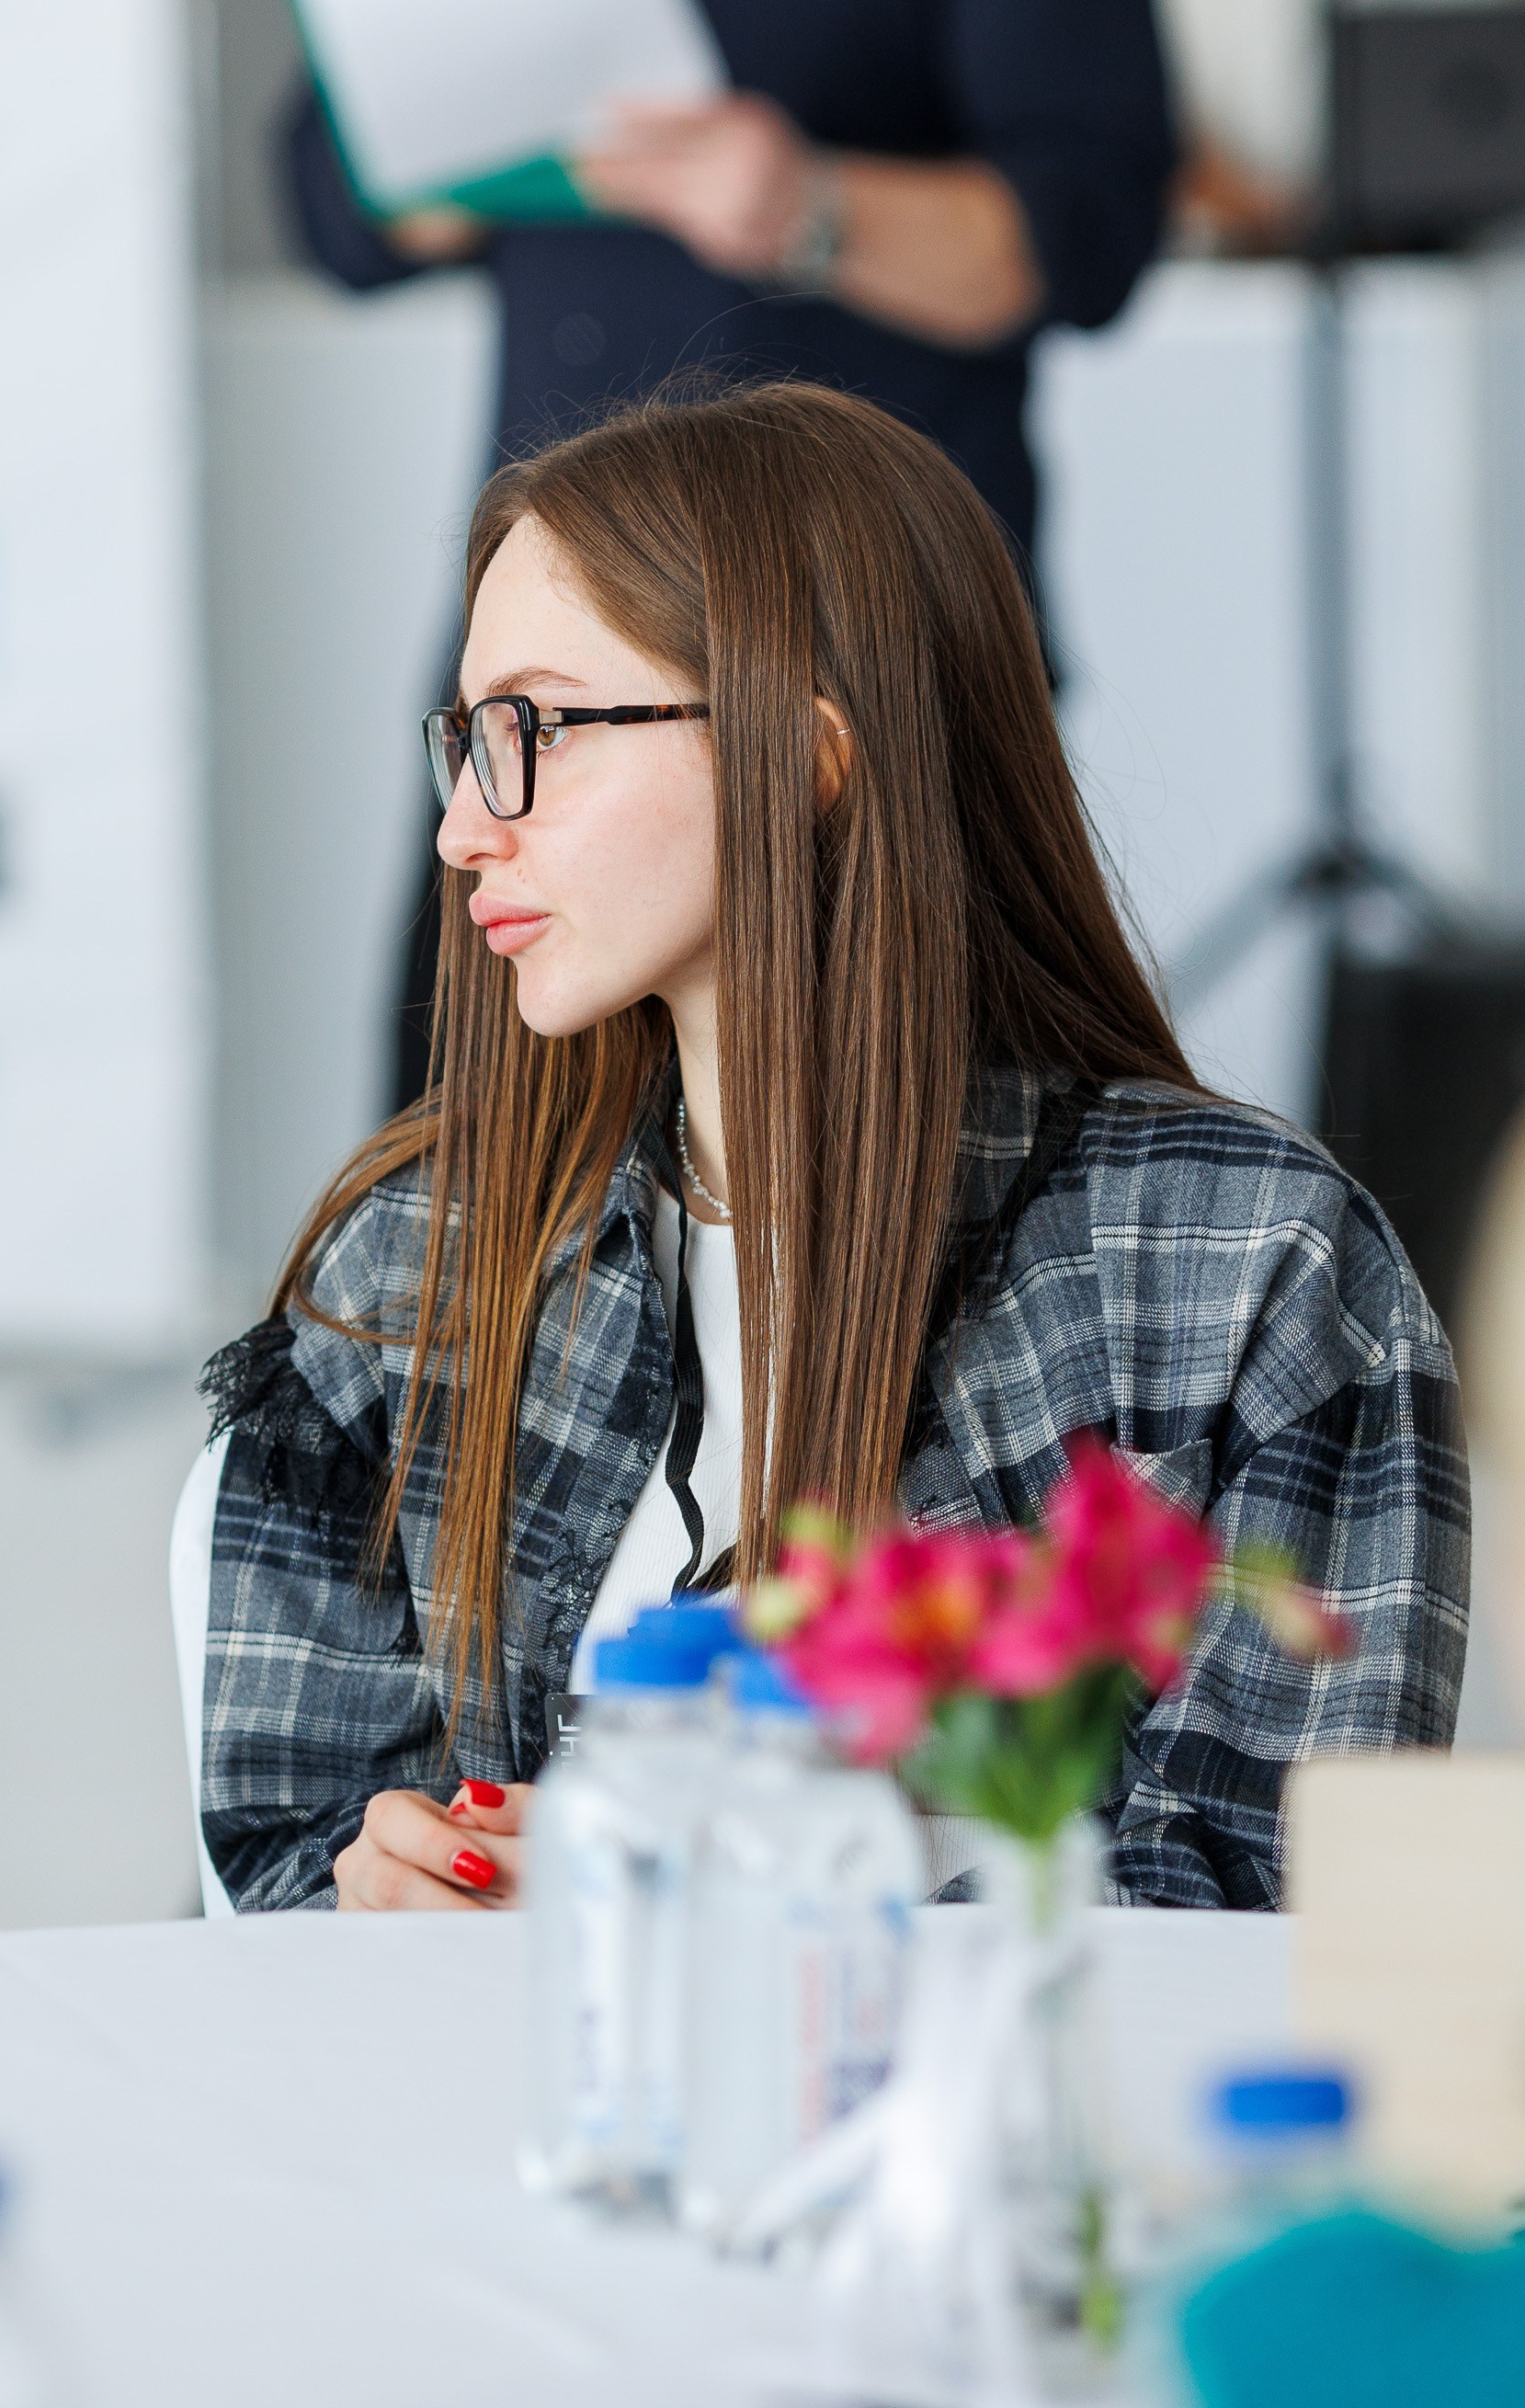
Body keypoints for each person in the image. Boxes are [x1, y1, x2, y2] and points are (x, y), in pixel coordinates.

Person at [197, 386, 1468, 1915]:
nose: (465, 826)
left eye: (530, 729)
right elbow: (271, 1855)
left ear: (800, 757)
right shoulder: (416, 1258)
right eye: (463, 739)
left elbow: (1276, 1913)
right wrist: (376, 1895)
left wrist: (723, 1913)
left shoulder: (1245, 1267)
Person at [278, 0, 1177, 1104]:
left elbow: (1088, 237)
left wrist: (815, 205)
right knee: (473, 1218)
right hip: (547, 669)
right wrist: (471, 78)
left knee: (914, 1207)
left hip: (876, 666)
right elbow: (332, 215)